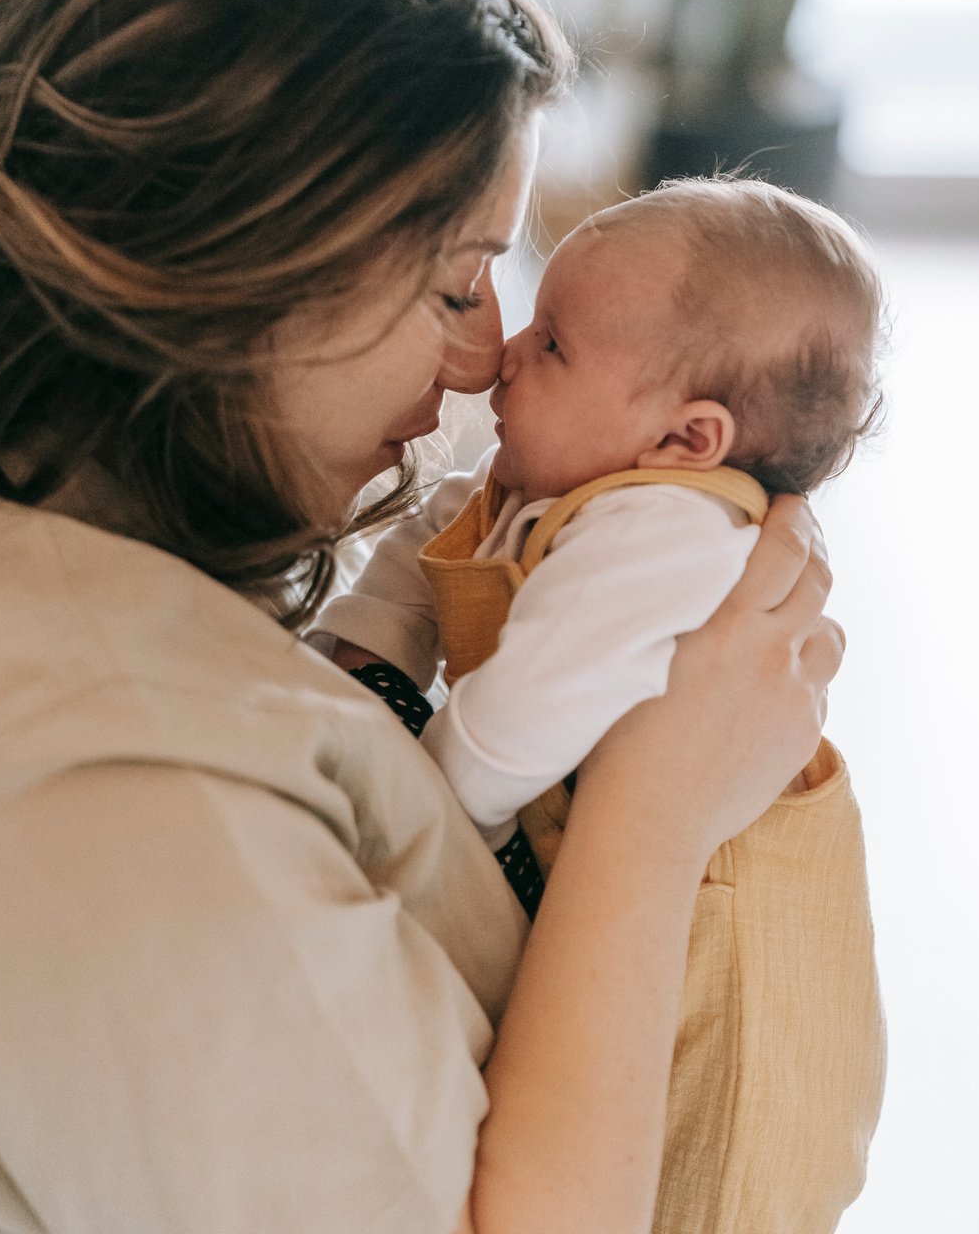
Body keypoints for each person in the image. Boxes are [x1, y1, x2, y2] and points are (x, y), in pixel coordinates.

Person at [0, 0, 841, 1234]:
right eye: (457, 285)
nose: (483, 361)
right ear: (240, 263)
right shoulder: (127, 798)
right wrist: (659, 806)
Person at [312, 179, 889, 1232]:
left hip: (729, 990)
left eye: (555, 345)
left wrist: (406, 830)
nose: (506, 352)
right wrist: (360, 649)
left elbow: (503, 739)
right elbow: (440, 529)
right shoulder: (563, 483)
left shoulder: (665, 536)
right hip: (633, 909)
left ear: (686, 440)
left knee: (689, 1182)